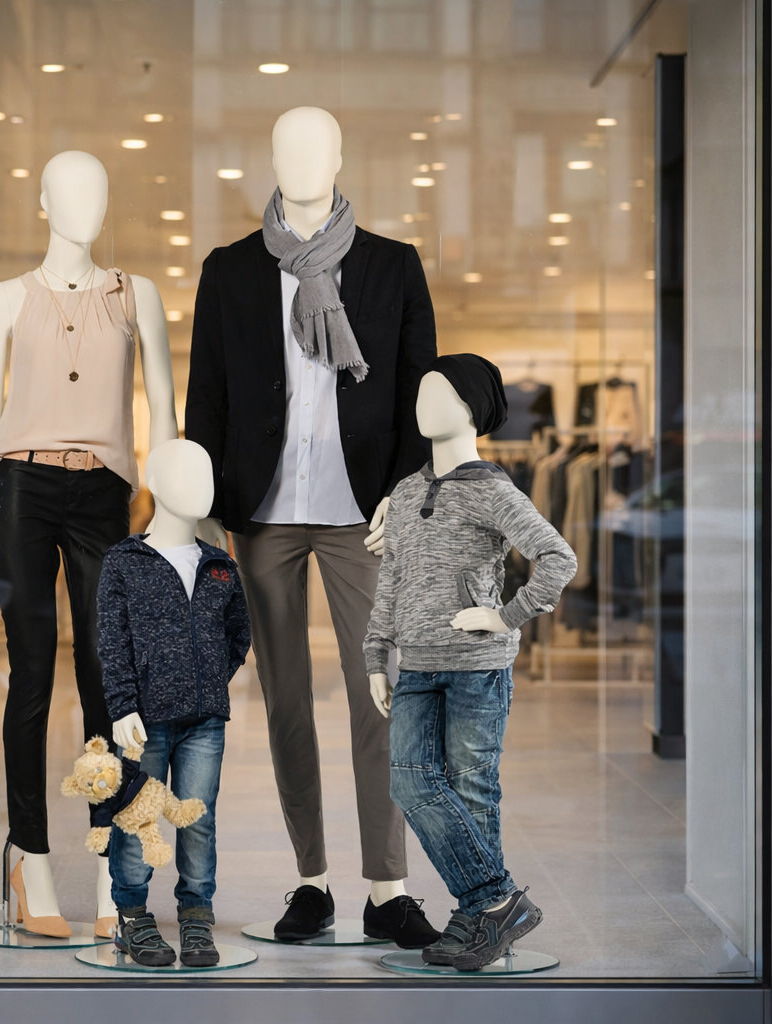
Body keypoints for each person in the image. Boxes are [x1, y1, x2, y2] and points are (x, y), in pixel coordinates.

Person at [185, 106, 439, 947]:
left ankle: (387, 888)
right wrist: (206, 509)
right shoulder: (229, 270)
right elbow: (207, 397)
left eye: (314, 146)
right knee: (284, 699)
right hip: (262, 511)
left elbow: (418, 390)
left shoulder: (392, 265)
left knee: (380, 695)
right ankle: (311, 882)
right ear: (270, 158)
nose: (299, 160)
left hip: (361, 511)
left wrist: (403, 495)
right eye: (285, 147)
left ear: (338, 158)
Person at [0, 150, 177, 937]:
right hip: (20, 489)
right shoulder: (4, 298)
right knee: (32, 674)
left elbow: (163, 411)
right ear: (41, 203)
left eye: (97, 192)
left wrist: (172, 515)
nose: (85, 205)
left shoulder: (135, 294)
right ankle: (30, 860)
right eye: (69, 192)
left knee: (109, 680)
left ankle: (117, 862)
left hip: (104, 495)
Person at [364, 354, 577, 971]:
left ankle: (475, 916)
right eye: (421, 392)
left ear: (473, 408)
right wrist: (376, 654)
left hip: (477, 667)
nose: (423, 404)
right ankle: (496, 900)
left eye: (440, 394)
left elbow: (558, 557)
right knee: (410, 782)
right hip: (416, 666)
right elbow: (391, 581)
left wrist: (505, 616)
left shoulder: (492, 490)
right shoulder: (407, 493)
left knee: (472, 789)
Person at [95, 439, 251, 967]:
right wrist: (122, 705)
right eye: (187, 475)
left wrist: (207, 681)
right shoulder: (124, 561)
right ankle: (132, 915)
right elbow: (111, 641)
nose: (202, 486)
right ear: (156, 484)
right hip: (144, 719)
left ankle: (196, 914)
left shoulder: (220, 565)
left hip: (205, 720)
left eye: (207, 474)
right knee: (137, 816)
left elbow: (238, 635)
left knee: (198, 818)